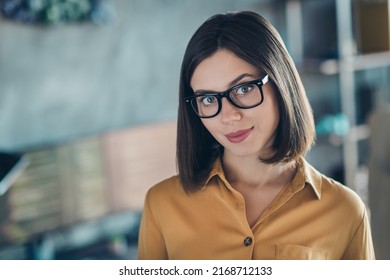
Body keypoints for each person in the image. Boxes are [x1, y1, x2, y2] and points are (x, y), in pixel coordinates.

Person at [138, 11, 375, 260]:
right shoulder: (161, 205)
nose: (229, 116)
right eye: (207, 99)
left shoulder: (344, 211)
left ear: (280, 83)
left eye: (244, 88)